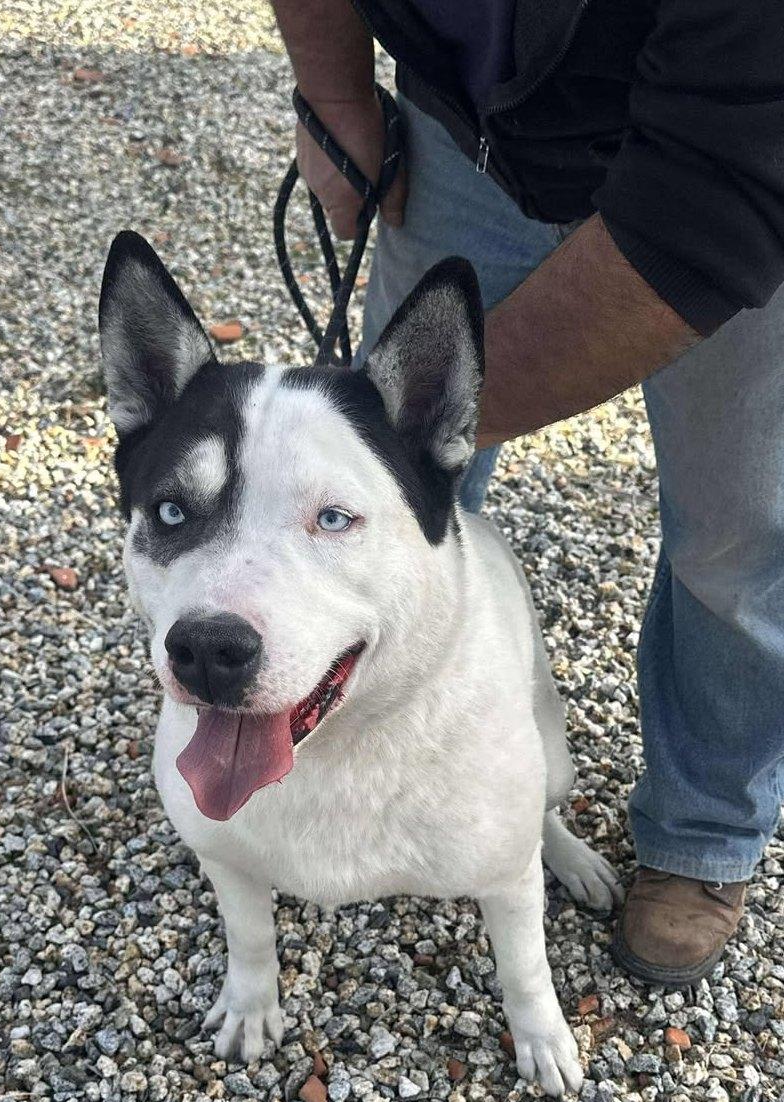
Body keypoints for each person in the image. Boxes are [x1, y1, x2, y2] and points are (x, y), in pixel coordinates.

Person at [270, 0, 784, 985]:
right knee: (377, 530)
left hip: (739, 153)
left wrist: (393, 442)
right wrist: (334, 97)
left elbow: (713, 201)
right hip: (466, 132)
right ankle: (366, 740)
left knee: (738, 537)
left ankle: (703, 832)